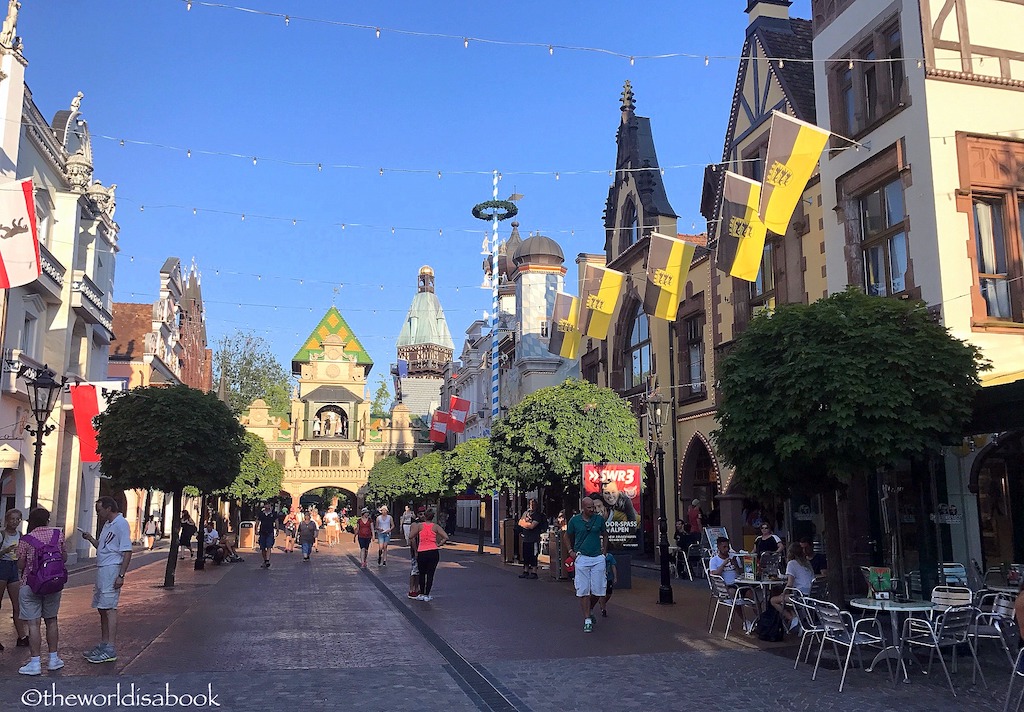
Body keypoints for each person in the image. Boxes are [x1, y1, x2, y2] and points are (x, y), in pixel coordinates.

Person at [79, 496, 132, 664]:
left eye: (99, 510)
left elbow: (127, 551)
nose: (98, 513)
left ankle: (110, 647)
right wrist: (90, 539)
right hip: (102, 568)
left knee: (109, 608)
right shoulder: (108, 525)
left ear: (108, 508)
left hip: (112, 570)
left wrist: (121, 575)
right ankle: (104, 643)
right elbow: (103, 547)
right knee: (102, 607)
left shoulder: (121, 524)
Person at [15, 507, 66, 675]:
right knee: (51, 620)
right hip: (53, 583)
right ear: (47, 520)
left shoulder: (26, 539)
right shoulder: (58, 535)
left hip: (30, 585)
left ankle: (35, 663)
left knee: (33, 624)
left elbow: (21, 565)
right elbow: (63, 558)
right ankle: (53, 659)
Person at [562, 497, 609, 633]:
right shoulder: (575, 521)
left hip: (597, 558)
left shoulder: (599, 520)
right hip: (582, 557)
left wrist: (604, 552)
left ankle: (591, 608)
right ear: (583, 507)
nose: (592, 510)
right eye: (589, 507)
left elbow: (605, 535)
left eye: (593, 507)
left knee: (598, 590)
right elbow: (567, 535)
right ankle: (587, 618)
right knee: (583, 590)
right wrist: (570, 551)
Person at [710, 536, 753, 633]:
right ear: (719, 547)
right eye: (724, 547)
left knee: (751, 594)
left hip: (738, 582)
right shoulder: (714, 560)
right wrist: (723, 564)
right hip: (727, 586)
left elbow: (741, 572)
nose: (727, 550)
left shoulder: (733, 556)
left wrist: (736, 564)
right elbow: (713, 574)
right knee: (735, 596)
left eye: (728, 547)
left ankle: (760, 619)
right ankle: (745, 621)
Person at [771, 543, 815, 632]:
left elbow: (789, 584)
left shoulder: (791, 563)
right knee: (783, 596)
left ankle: (793, 618)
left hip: (799, 596)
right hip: (810, 596)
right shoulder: (807, 563)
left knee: (773, 600)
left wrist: (783, 594)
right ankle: (796, 617)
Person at [1, 508, 28, 649]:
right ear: (7, 520)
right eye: (12, 519)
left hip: (13, 568)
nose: (15, 522)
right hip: (2, 566)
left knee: (17, 605)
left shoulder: (20, 535)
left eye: (18, 519)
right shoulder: (1, 534)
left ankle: (22, 636)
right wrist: (5, 551)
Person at [410, 509, 449, 601]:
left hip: (422, 551)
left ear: (425, 516)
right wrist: (439, 544)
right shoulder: (436, 527)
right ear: (433, 517)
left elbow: (411, 536)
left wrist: (416, 547)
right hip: (433, 551)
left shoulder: (420, 526)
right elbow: (446, 537)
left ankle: (422, 593)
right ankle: (427, 594)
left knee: (422, 573)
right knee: (430, 574)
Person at [517, 499, 547, 579]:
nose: (532, 506)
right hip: (526, 538)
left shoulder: (538, 515)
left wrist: (525, 524)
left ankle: (534, 572)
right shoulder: (526, 513)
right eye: (530, 504)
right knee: (526, 555)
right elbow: (520, 522)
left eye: (534, 504)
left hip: (534, 538)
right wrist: (527, 524)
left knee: (534, 555)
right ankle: (525, 571)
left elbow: (532, 526)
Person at [256, 502, 277, 569]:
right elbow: (257, 521)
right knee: (262, 547)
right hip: (262, 532)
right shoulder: (261, 513)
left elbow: (276, 521)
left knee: (269, 546)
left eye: (269, 505)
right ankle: (265, 560)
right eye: (266, 505)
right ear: (264, 506)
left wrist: (277, 529)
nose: (267, 506)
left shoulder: (273, 514)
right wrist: (256, 529)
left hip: (270, 532)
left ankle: (267, 560)